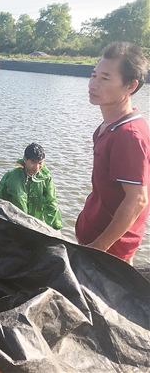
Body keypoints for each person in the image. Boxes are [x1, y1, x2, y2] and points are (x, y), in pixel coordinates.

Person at [75, 42, 149, 265]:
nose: (93, 84)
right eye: (93, 75)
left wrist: (98, 248)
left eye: (105, 78)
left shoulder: (129, 134)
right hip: (94, 237)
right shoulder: (109, 126)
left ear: (130, 86)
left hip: (109, 253)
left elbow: (138, 199)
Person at [0, 143, 63, 230]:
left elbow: (51, 203)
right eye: (33, 162)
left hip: (35, 225)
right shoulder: (11, 176)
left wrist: (55, 228)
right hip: (14, 224)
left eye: (40, 163)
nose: (37, 167)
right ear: (25, 160)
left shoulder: (46, 178)